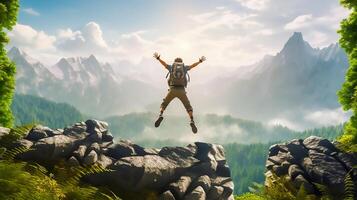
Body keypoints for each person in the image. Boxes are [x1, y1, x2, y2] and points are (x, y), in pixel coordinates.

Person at [153, 52, 206, 134]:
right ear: (181, 62)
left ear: (175, 62)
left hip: (172, 89)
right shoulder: (184, 68)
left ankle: (160, 115)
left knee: (164, 104)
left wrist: (158, 58)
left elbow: (164, 64)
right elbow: (193, 66)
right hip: (182, 91)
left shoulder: (172, 67)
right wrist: (200, 61)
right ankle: (192, 120)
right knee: (188, 106)